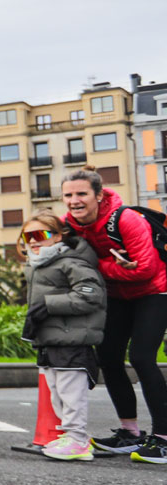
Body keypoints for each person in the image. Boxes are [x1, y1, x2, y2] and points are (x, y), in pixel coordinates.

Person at [62, 169, 167, 462]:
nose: (74, 200)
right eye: (68, 195)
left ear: (98, 195)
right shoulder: (67, 225)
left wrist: (96, 268)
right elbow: (41, 241)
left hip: (155, 291)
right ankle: (130, 432)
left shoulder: (125, 219)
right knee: (108, 358)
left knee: (142, 357)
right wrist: (30, 243)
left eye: (81, 194)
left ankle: (163, 438)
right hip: (118, 294)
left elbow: (144, 268)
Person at [18, 210, 107, 461]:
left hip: (72, 339)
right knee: (57, 393)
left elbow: (91, 294)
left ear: (58, 236)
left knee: (71, 393)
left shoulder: (71, 262)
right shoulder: (37, 264)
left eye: (40, 234)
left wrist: (49, 304)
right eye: (27, 236)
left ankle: (78, 440)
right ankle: (72, 438)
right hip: (49, 340)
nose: (33, 241)